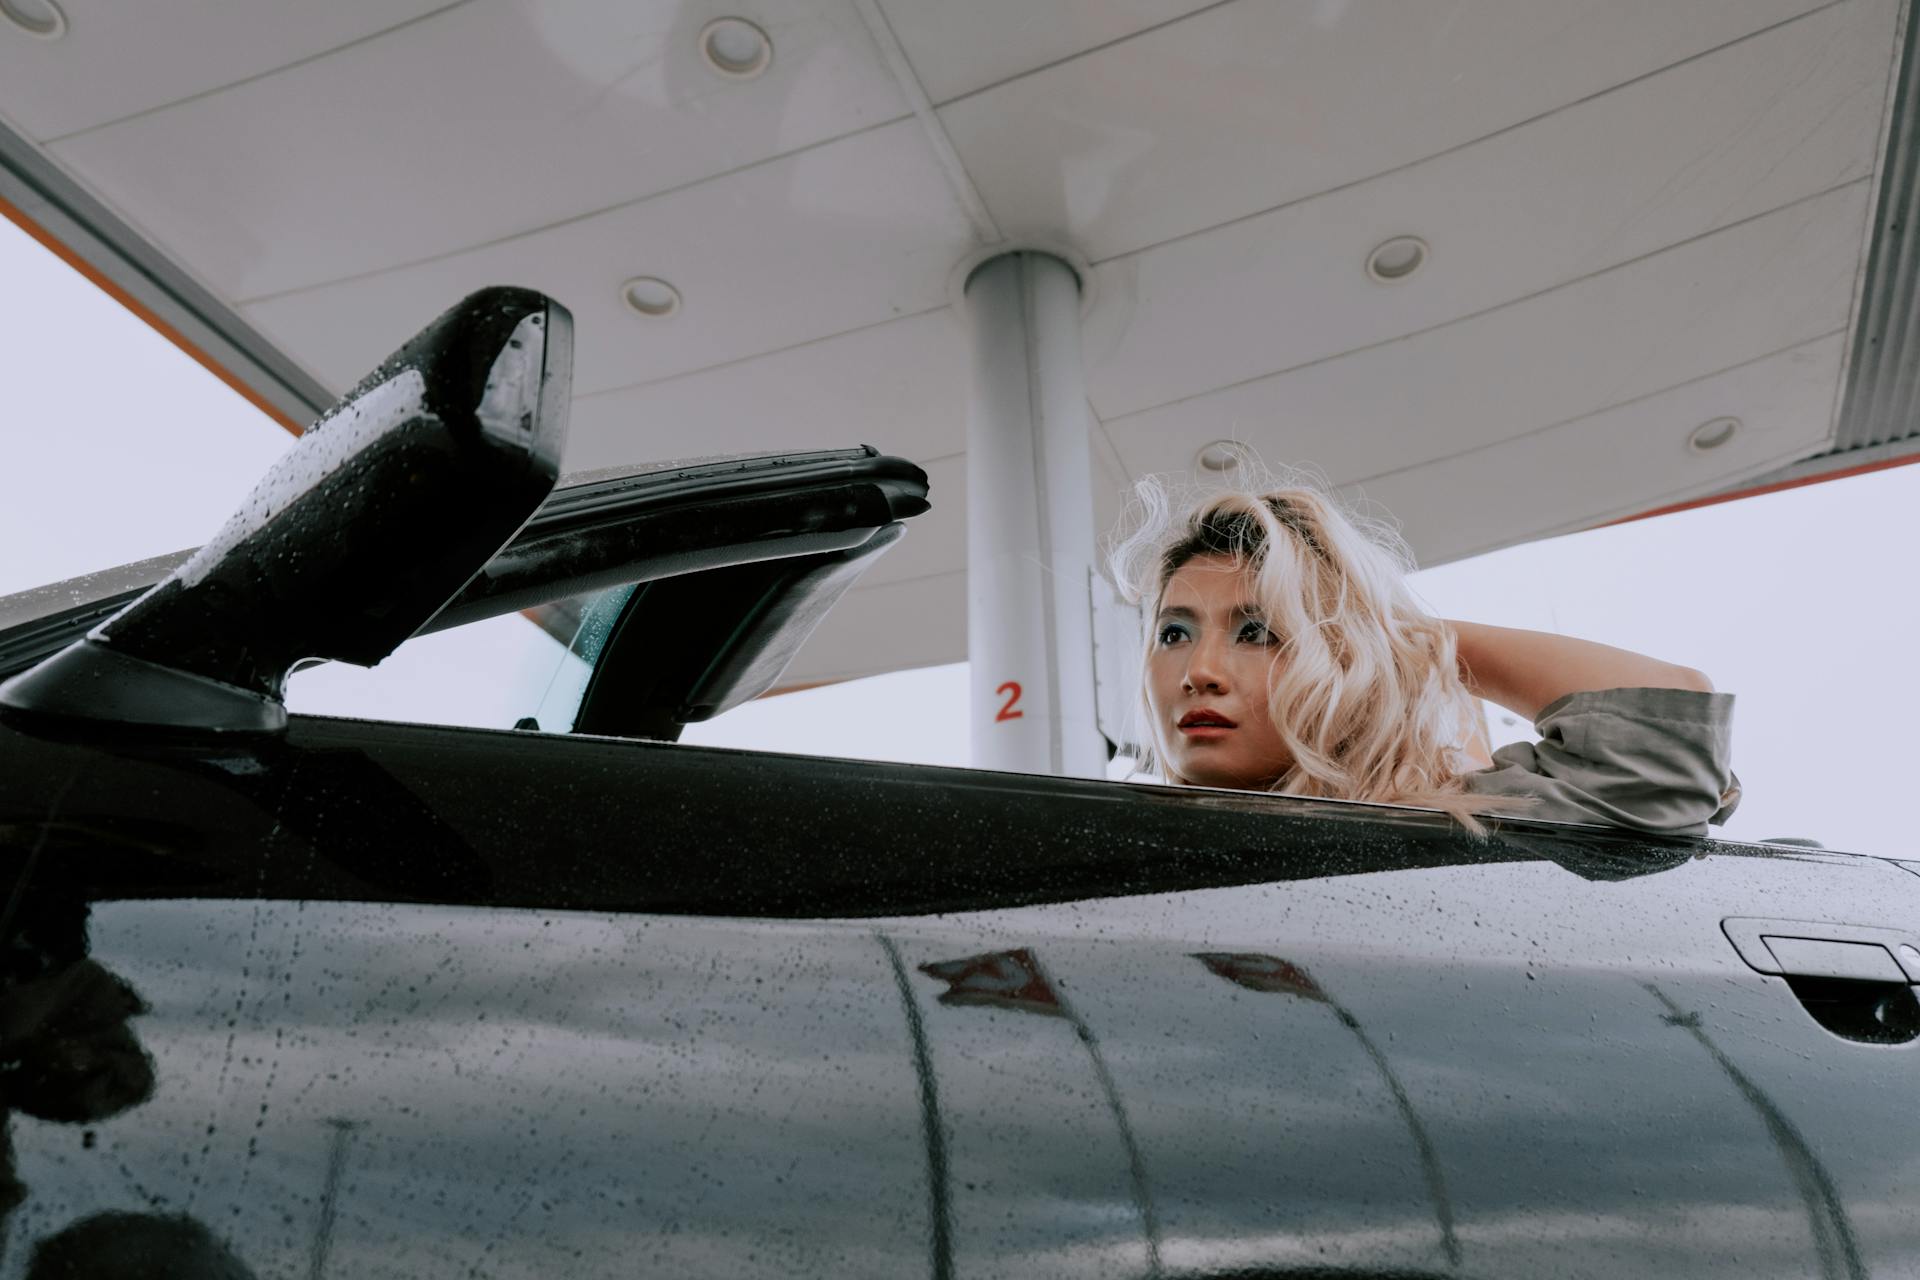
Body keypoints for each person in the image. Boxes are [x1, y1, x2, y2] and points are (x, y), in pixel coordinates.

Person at [1108, 472, 1740, 835]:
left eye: (1257, 631)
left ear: (1342, 660)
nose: (1199, 674)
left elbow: (1667, 727)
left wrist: (1392, 637)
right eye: (1174, 634)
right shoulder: (1108, 843)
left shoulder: (1449, 829)